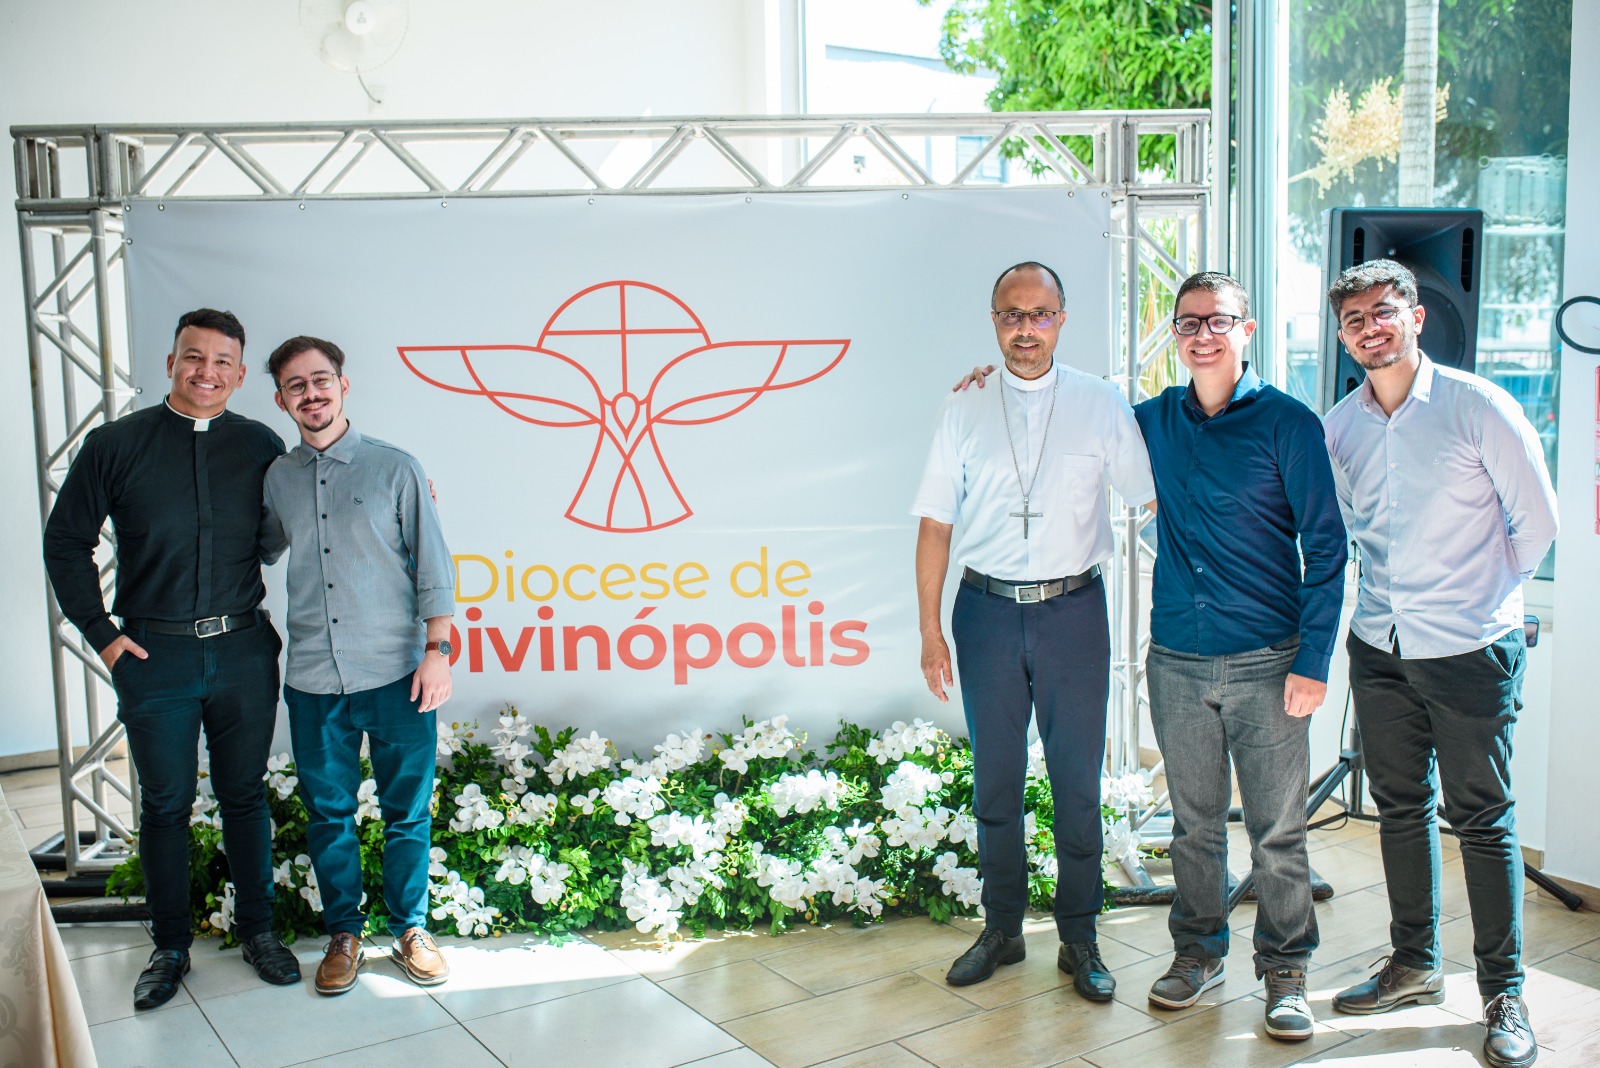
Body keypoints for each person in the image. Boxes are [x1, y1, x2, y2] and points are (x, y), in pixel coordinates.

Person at [1323, 259, 1557, 1068]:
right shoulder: (1340, 427)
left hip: (1469, 650)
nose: (1370, 328)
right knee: (1399, 808)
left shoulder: (1477, 406)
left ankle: (1504, 994)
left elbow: (1537, 524)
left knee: (1483, 819)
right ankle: (1415, 964)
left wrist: (1483, 603)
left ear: (1416, 317)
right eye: (1355, 320)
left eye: (1383, 312)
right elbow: (1345, 531)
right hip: (1380, 645)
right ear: (1344, 337)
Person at [42, 309, 301, 1009]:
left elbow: (293, 521)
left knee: (244, 795)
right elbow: (65, 541)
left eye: (222, 363)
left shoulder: (260, 444)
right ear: (170, 362)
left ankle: (258, 932)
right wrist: (102, 634)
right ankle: (170, 946)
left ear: (239, 376)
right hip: (155, 655)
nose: (206, 372)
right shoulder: (115, 445)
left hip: (243, 650)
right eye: (194, 357)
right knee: (165, 804)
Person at [912, 261, 1156, 1000]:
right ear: (995, 321)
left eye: (1040, 314)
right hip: (984, 612)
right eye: (1012, 315)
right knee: (996, 780)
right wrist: (930, 631)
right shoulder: (964, 405)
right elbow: (934, 524)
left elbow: (1149, 496)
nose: (1026, 329)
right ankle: (1003, 929)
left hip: (1072, 612)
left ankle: (1080, 937)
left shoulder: (1100, 402)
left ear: (1061, 319)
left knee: (1076, 781)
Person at [1132, 272, 1345, 1040]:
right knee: (1192, 828)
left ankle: (1286, 974)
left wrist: (1313, 661)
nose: (1202, 335)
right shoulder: (1152, 419)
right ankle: (1198, 954)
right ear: (1176, 335)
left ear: (1246, 330)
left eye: (1217, 320)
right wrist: (992, 383)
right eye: (1189, 323)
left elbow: (1327, 547)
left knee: (1277, 833)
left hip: (1269, 662)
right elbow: (1066, 422)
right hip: (1177, 660)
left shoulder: (1288, 422)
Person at [260, 335, 456, 996]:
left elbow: (434, 565)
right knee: (329, 816)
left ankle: (411, 930)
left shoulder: (396, 468)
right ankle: (344, 933)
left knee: (408, 812)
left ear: (343, 386)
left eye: (321, 380)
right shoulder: (278, 478)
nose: (310, 393)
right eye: (296, 385)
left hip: (397, 672)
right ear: (281, 400)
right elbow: (259, 545)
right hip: (313, 678)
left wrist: (437, 652)